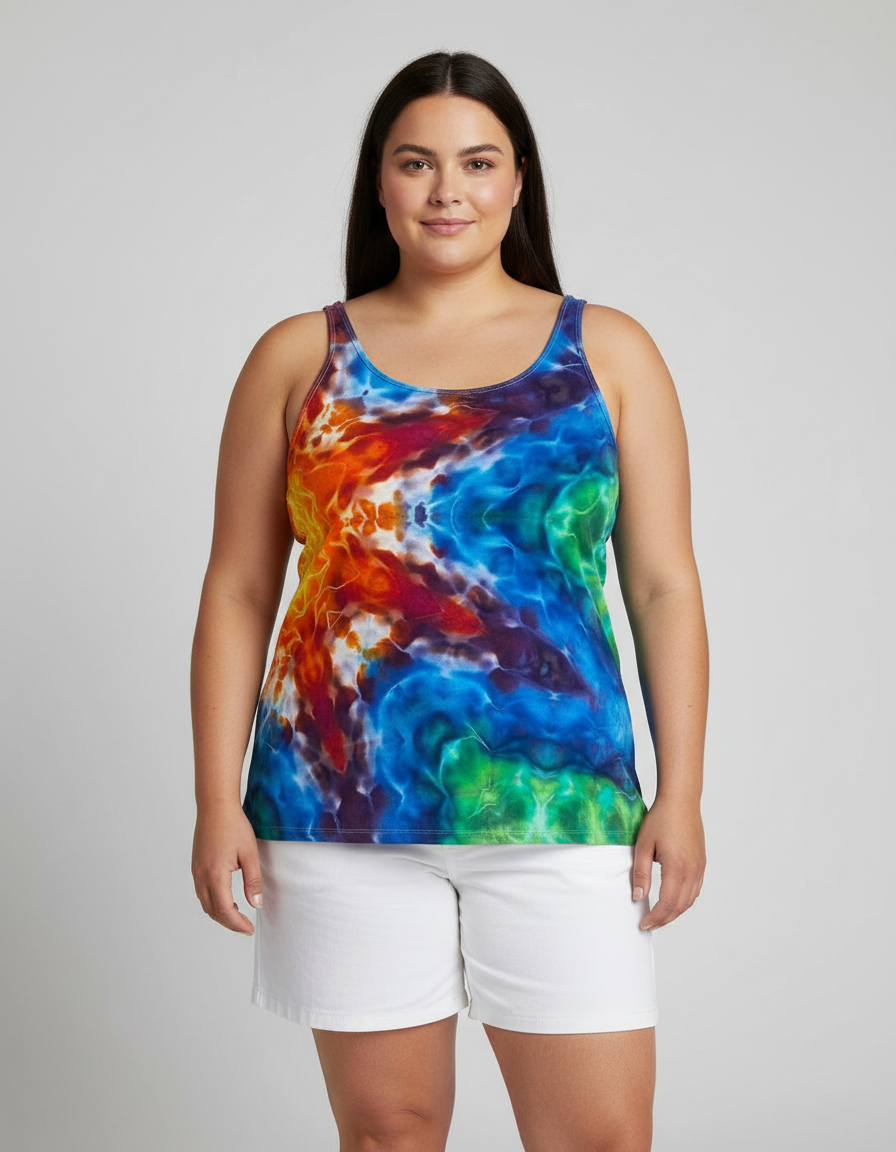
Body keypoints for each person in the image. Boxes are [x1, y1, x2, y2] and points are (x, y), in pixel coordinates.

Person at [191, 49, 708, 1152]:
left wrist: (682, 794)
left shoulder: (608, 353)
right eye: (415, 162)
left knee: (600, 1138)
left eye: (476, 162)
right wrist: (213, 800)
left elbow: (663, 586)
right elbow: (237, 588)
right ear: (378, 183)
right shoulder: (297, 356)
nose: (446, 191)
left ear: (518, 180)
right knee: (390, 1133)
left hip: (562, 804)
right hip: (336, 803)